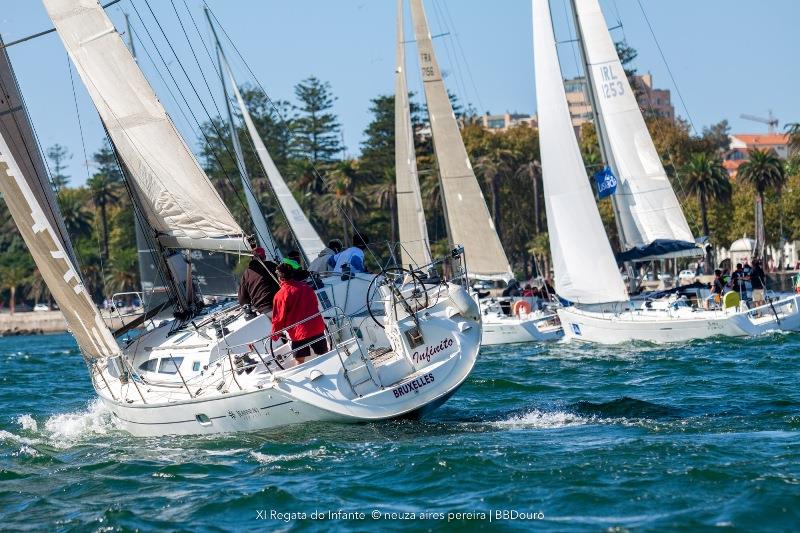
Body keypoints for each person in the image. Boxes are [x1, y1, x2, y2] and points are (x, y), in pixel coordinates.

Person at [271, 263, 328, 364]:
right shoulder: (306, 287)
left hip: (299, 333)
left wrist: (275, 335)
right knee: (325, 355)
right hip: (317, 327)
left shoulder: (280, 295)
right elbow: (315, 304)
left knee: (299, 361)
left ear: (280, 278)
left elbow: (278, 319)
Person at [238, 247, 280, 316]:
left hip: (264, 311)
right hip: (279, 305)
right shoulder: (271, 266)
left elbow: (242, 299)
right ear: (265, 257)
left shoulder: (246, 274)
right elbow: (286, 277)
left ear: (251, 258)